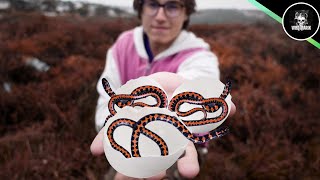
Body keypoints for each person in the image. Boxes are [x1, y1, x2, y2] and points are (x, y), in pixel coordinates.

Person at [90, 0, 236, 179]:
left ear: (186, 14)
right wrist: (117, 128)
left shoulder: (201, 57)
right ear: (140, 9)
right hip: (125, 143)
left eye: (172, 6)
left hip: (180, 150)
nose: (160, 17)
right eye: (152, 4)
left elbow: (202, 80)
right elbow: (106, 98)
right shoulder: (122, 45)